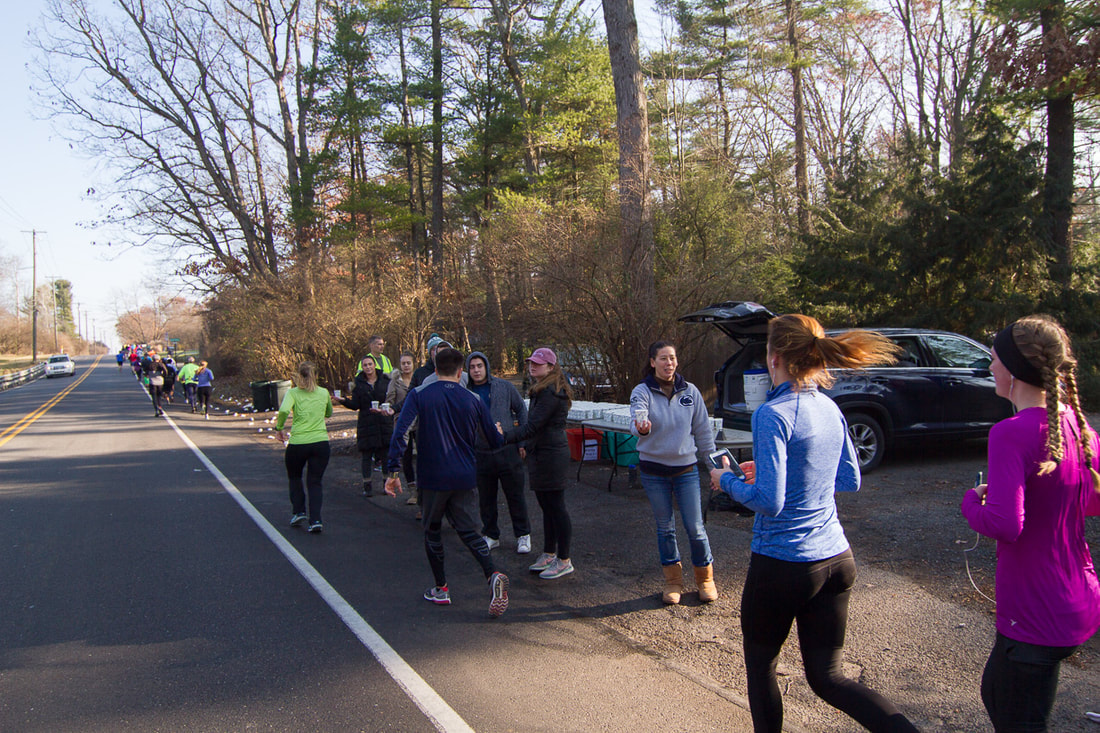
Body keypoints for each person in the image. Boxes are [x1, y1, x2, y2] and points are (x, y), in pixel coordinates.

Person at [710, 314, 917, 733]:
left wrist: (727, 481)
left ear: (776, 358)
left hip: (782, 564)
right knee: (828, 678)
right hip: (837, 559)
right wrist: (772, 470)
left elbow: (770, 501)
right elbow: (849, 479)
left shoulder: (773, 413)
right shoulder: (830, 406)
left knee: (762, 668)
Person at [960, 315, 1100, 732]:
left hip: (1034, 607)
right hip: (1077, 598)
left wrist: (972, 501)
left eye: (994, 359)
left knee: (1016, 718)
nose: (989, 368)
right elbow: (1091, 501)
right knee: (999, 696)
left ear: (1015, 371)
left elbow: (1006, 524)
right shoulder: (1079, 425)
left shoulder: (1011, 432)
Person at [384, 347, 509, 617]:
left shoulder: (419, 394)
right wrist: (500, 433)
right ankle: (492, 574)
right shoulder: (473, 398)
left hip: (432, 476)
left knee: (432, 531)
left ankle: (441, 588)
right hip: (464, 475)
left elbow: (401, 432)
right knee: (469, 532)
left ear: (435, 369)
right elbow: (492, 438)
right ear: (461, 371)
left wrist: (393, 472)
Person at [630, 340, 718, 604]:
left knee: (695, 527)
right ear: (652, 362)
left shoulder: (690, 392)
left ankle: (705, 579)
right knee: (665, 527)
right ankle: (673, 582)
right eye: (664, 359)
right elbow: (638, 417)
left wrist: (713, 467)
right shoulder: (642, 390)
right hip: (654, 472)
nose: (669, 363)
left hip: (686, 471)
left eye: (673, 358)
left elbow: (703, 432)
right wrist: (642, 426)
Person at [499, 347, 574, 580]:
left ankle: (564, 559)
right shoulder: (542, 389)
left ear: (551, 367)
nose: (533, 366)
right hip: (541, 454)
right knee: (547, 506)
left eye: (538, 363)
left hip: (551, 456)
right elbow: (533, 427)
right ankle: (549, 553)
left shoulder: (551, 392)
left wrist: (505, 435)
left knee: (556, 507)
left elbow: (533, 426)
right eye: (531, 362)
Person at [465, 351, 532, 554]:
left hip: (507, 449)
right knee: (486, 497)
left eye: (479, 366)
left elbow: (521, 410)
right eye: (472, 367)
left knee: (515, 495)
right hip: (481, 452)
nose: (476, 370)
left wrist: (520, 440)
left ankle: (523, 535)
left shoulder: (504, 386)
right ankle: (491, 535)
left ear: (486, 366)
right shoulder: (465, 392)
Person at [275, 362, 333, 534]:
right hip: (320, 442)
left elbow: (284, 410)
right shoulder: (323, 392)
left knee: (294, 476)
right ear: (316, 376)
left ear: (298, 375)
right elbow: (329, 413)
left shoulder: (293, 393)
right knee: (315, 482)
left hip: (299, 442)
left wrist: (279, 428)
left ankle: (299, 511)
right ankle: (316, 519)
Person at [334, 355, 393, 496]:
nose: (368, 367)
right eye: (365, 365)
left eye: (370, 364)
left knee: (385, 454)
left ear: (374, 365)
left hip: (383, 421)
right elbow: (356, 405)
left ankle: (386, 484)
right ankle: (367, 486)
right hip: (366, 423)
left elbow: (392, 398)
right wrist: (343, 400)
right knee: (367, 454)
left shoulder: (385, 381)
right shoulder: (358, 384)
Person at [385, 351, 418, 504]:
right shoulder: (395, 381)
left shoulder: (418, 379)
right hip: (401, 422)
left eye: (408, 363)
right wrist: (390, 409)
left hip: (418, 422)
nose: (405, 366)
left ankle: (423, 489)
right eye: (403, 363)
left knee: (423, 455)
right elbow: (390, 401)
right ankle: (413, 491)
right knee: (406, 456)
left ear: (413, 364)